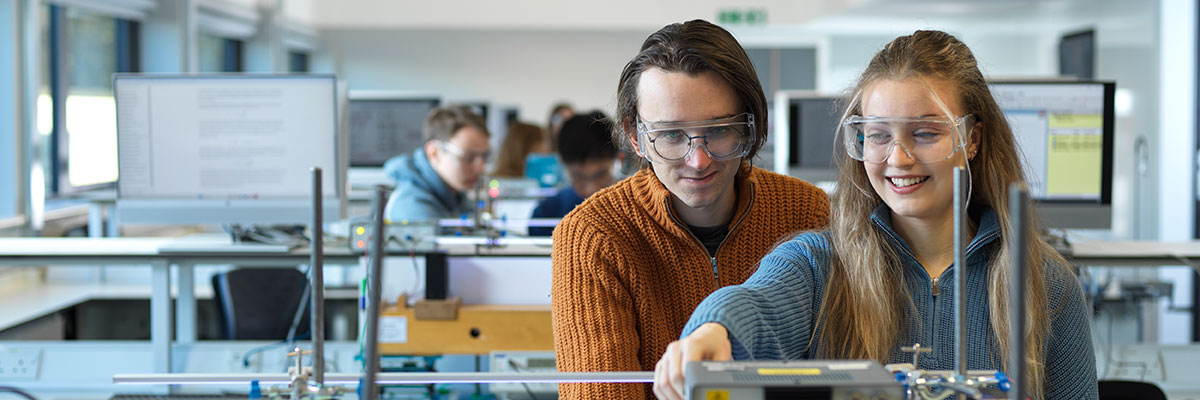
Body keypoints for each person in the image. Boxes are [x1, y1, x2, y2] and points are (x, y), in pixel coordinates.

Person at [652, 30, 1097, 400]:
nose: (898, 158)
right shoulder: (817, 264)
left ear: (973, 138)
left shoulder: (1044, 282)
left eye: (925, 133)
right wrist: (713, 330)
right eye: (877, 135)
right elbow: (755, 305)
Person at [552, 19, 831, 400]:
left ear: (749, 127)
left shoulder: (806, 210)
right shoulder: (593, 236)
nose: (698, 160)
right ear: (636, 137)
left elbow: (833, 369)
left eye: (718, 130)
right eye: (669, 135)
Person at [383, 105, 490, 223]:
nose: (480, 168)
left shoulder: (454, 196)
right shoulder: (414, 209)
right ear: (434, 153)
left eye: (484, 156)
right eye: (468, 157)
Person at [529, 110, 619, 236]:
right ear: (561, 162)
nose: (590, 189)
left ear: (618, 158)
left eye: (601, 175)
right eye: (579, 177)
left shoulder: (634, 208)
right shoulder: (546, 214)